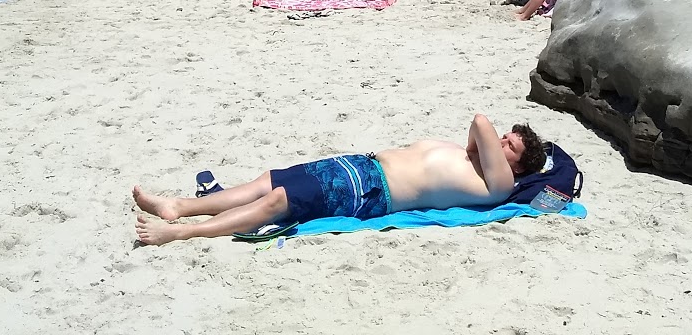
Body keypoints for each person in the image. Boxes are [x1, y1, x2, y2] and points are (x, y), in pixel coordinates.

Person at [132, 115, 548, 245]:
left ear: (518, 168)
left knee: (278, 201)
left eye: (508, 146)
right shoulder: (473, 161)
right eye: (504, 138)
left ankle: (181, 234)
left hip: (371, 192)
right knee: (270, 180)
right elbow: (477, 132)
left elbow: (480, 121)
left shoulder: (499, 186)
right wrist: (485, 146)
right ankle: (179, 207)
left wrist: (491, 143)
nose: (499, 141)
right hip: (359, 166)